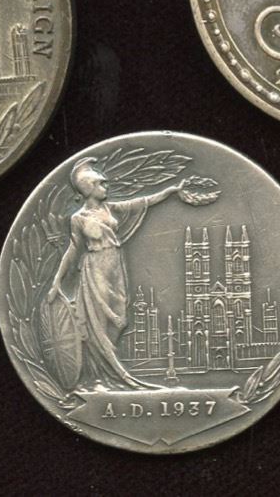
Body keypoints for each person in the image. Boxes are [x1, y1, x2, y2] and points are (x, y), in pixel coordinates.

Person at [47, 161, 185, 390]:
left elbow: (144, 201)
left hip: (115, 265)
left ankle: (106, 370)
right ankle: (98, 378)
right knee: (98, 322)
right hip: (95, 268)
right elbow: (72, 249)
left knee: (119, 318)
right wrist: (56, 280)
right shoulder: (78, 218)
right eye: (101, 184)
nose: (106, 186)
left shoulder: (110, 208)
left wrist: (170, 192)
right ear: (89, 188)